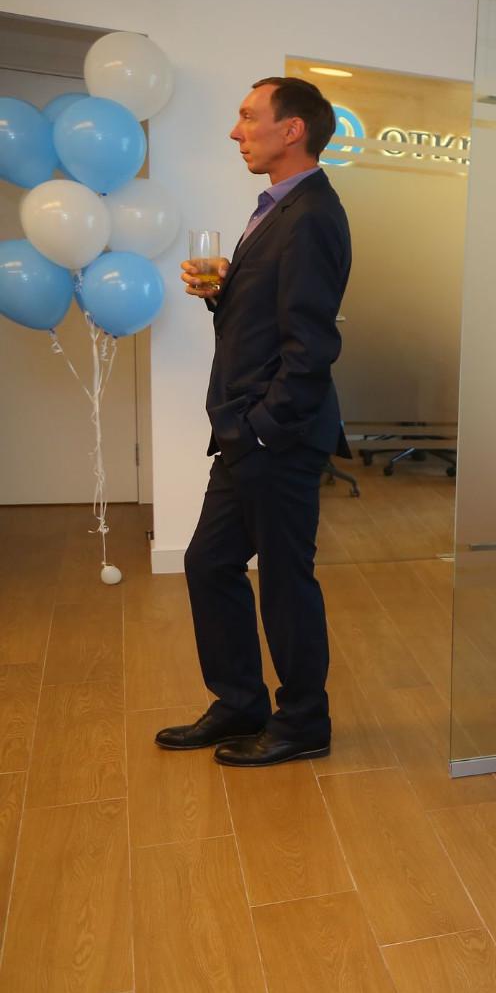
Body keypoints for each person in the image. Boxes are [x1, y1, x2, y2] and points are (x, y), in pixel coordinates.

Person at [154, 77, 352, 766]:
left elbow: (312, 344)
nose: (236, 132)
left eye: (248, 117)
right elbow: (271, 314)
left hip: (276, 435)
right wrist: (222, 293)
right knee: (210, 563)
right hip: (247, 432)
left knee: (286, 580)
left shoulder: (312, 214)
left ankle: (304, 723)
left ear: (292, 129)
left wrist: (265, 426)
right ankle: (240, 704)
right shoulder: (277, 207)